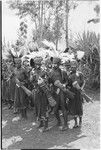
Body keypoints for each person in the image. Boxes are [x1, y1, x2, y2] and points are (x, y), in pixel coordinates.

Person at [48, 57, 75, 131]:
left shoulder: (62, 72)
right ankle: (59, 121)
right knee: (55, 109)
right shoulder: (50, 72)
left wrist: (64, 85)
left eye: (56, 64)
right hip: (54, 92)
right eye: (53, 63)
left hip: (62, 92)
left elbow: (67, 82)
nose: (54, 65)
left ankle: (65, 124)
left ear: (59, 64)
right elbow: (49, 82)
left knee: (63, 108)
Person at [67, 60, 85, 128]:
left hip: (79, 93)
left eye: (74, 67)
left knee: (79, 107)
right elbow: (68, 84)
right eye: (72, 67)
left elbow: (83, 82)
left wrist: (81, 88)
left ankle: (80, 121)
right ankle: (75, 122)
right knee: (73, 107)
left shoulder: (80, 74)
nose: (73, 68)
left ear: (76, 67)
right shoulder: (69, 75)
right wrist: (68, 89)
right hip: (73, 93)